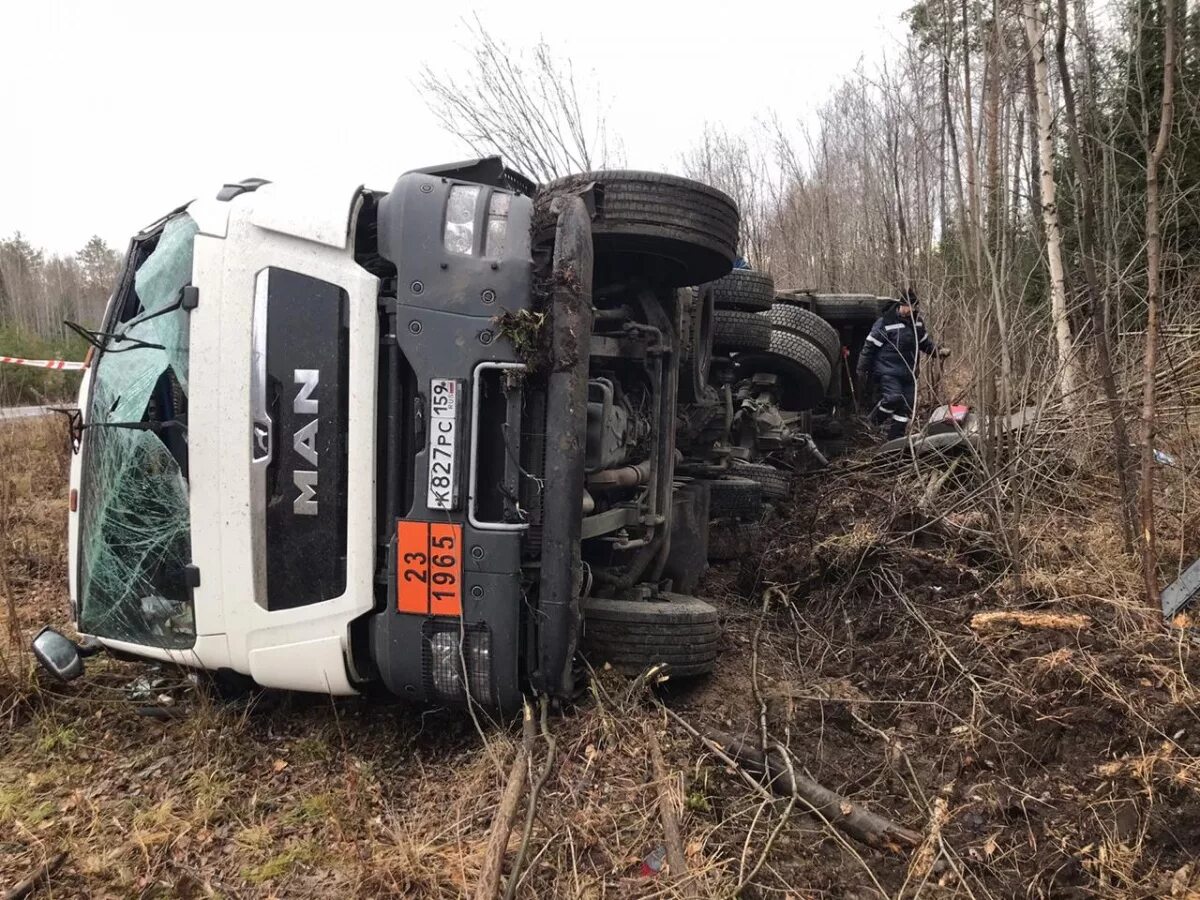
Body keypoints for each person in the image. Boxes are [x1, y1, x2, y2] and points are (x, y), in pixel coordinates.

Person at [855, 289, 949, 439]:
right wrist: (862, 369)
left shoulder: (917, 322)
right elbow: (869, 347)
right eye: (909, 306)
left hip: (909, 372)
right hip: (888, 370)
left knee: (906, 406)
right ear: (901, 305)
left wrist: (938, 352)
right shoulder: (886, 322)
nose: (911, 310)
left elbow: (924, 343)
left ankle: (894, 439)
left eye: (914, 307)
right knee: (893, 398)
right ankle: (872, 422)